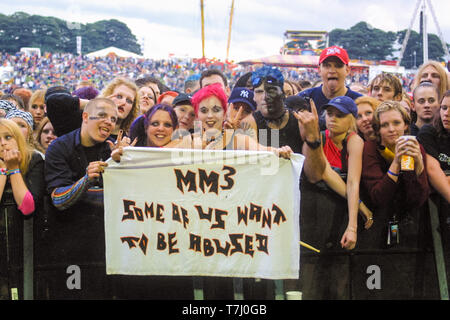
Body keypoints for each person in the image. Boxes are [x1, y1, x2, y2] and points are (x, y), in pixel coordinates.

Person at [42, 97, 120, 299]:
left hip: (107, 250)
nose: (108, 121)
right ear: (85, 117)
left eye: (113, 118)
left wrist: (125, 166)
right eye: (102, 115)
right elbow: (58, 199)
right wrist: (85, 180)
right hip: (70, 249)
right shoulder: (59, 147)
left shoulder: (114, 150)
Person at [360, 100, 429, 248]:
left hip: (407, 225)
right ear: (378, 129)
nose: (391, 129)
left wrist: (419, 167)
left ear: (405, 125)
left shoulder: (416, 148)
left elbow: (417, 199)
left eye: (396, 123)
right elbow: (378, 197)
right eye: (385, 125)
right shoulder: (370, 148)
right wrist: (396, 162)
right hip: (374, 225)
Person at [0, 119, 45, 300]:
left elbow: (27, 207)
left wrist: (13, 169)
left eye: (8, 137)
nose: (2, 143)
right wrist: (3, 170)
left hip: (24, 246)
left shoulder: (33, 159)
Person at [319, 96, 371, 250]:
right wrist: (360, 205)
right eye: (329, 113)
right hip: (319, 211)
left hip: (343, 212)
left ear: (351, 120)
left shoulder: (354, 141)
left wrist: (352, 227)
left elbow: (353, 182)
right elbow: (323, 174)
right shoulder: (319, 138)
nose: (333, 119)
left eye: (340, 115)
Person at [191, 83, 292, 157]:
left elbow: (261, 150)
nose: (210, 116)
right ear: (196, 114)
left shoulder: (239, 139)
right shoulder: (187, 142)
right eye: (204, 110)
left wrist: (279, 151)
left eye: (216, 110)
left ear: (224, 113)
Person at [46, 77, 139, 139]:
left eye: (129, 101)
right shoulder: (82, 122)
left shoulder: (128, 140)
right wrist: (94, 104)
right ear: (107, 96)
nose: (123, 102)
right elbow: (53, 102)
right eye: (119, 96)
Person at [298, 45, 362, 130]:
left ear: (347, 70)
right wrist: (274, 142)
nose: (332, 71)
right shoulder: (302, 98)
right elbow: (276, 124)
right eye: (327, 65)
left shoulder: (359, 102)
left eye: (338, 66)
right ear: (319, 70)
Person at [417, 90, 450, 204]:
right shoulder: (428, 132)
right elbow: (432, 171)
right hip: (437, 203)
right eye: (444, 108)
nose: (446, 113)